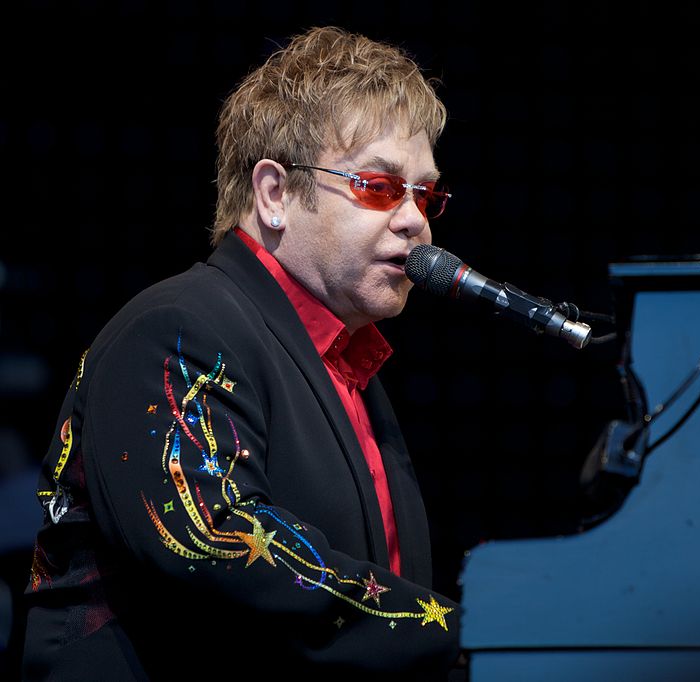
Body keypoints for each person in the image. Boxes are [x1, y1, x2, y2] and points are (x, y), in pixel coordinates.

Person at [22, 26, 462, 680]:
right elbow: (220, 543)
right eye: (379, 186)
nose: (414, 220)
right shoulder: (176, 329)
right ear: (274, 193)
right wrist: (456, 631)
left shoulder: (347, 363)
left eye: (425, 194)